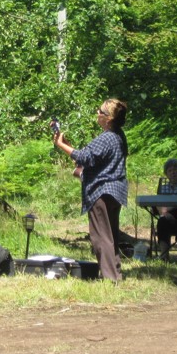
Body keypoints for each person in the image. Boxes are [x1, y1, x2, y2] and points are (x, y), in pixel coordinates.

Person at [53, 98, 129, 282]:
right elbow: (92, 159)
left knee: (100, 237)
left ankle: (111, 279)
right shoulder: (119, 135)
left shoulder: (106, 137)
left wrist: (60, 144)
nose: (97, 113)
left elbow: (85, 157)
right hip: (116, 191)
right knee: (110, 236)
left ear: (109, 118)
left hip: (101, 192)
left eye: (100, 112)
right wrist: (70, 147)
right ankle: (115, 274)